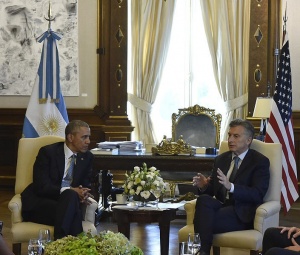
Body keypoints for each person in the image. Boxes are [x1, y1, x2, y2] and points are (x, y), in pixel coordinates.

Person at [192, 119, 270, 255]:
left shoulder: (260, 161)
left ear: (248, 140)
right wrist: (204, 186)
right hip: (221, 206)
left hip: (241, 212)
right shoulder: (221, 159)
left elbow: (257, 194)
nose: (230, 140)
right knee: (203, 199)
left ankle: (201, 251)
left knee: (201, 221)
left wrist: (232, 186)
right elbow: (212, 191)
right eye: (229, 135)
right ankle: (203, 251)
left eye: (236, 136)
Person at [21, 120, 94, 240]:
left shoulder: (87, 157)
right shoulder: (48, 152)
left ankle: (59, 243)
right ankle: (75, 246)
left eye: (89, 137)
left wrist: (84, 194)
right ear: (70, 137)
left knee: (70, 201)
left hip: (67, 204)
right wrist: (70, 190)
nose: (88, 141)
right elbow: (41, 186)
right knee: (72, 206)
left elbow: (85, 185)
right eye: (84, 137)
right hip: (41, 203)